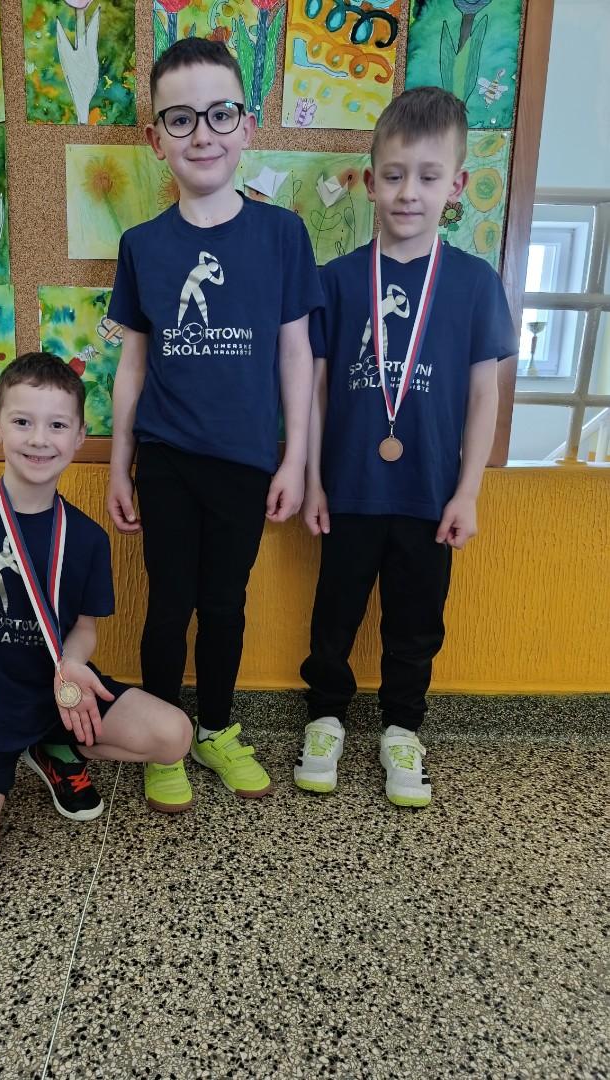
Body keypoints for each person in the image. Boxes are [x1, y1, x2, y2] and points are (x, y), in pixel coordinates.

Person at [106, 37, 322, 810]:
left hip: (245, 461)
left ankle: (218, 729)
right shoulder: (142, 247)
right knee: (169, 602)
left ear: (246, 125)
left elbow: (296, 355)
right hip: (165, 457)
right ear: (155, 137)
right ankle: (162, 735)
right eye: (180, 118)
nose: (201, 133)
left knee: (225, 604)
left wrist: (294, 460)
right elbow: (132, 364)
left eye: (219, 114)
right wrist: (118, 464)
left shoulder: (282, 235)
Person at [295, 88, 517, 808]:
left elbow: (483, 396)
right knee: (334, 613)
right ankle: (325, 717)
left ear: (456, 184)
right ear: (369, 181)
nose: (407, 192)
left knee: (416, 620)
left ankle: (401, 728)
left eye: (427, 176)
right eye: (392, 175)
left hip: (429, 493)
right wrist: (313, 479)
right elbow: (316, 391)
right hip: (349, 488)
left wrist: (468, 492)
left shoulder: (474, 283)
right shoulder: (335, 282)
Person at [0, 353, 191, 896]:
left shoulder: (86, 538)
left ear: (79, 436)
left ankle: (50, 745)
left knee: (174, 735)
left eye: (57, 425)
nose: (40, 439)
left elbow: (84, 627)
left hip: (58, 698)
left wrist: (73, 664)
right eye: (23, 421)